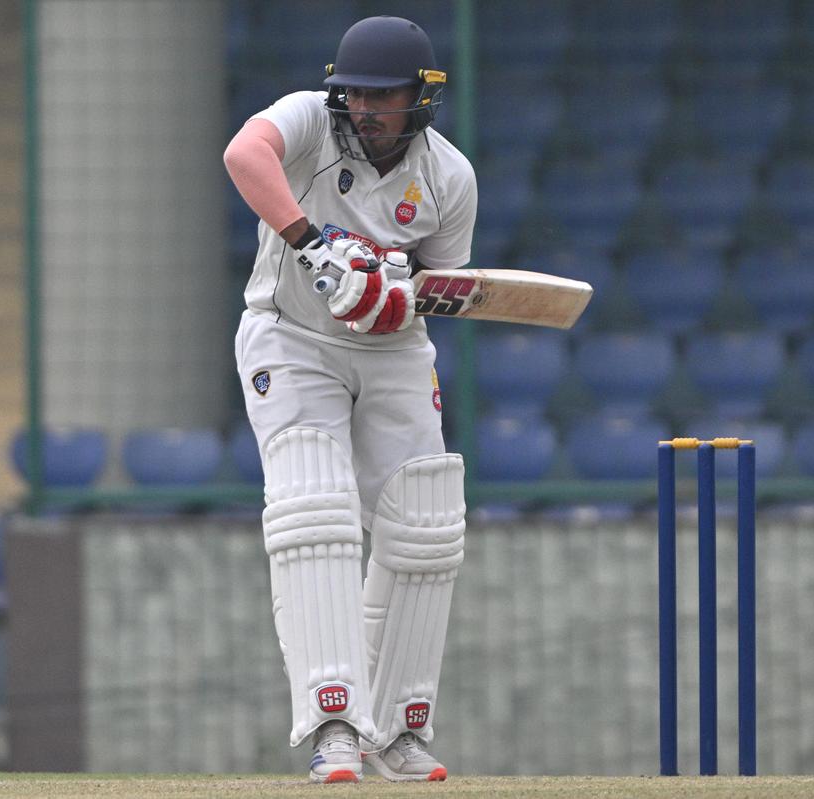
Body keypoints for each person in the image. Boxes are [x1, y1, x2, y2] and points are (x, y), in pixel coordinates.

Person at [222, 15, 477, 784]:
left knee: (425, 521)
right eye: (355, 93)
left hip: (392, 348)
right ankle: (335, 723)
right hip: (291, 337)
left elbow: (442, 287)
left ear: (420, 98)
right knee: (316, 506)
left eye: (383, 95)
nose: (364, 107)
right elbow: (244, 153)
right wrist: (312, 243)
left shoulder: (449, 178)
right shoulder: (309, 118)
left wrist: (396, 295)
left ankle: (399, 728)